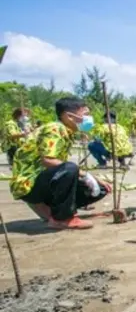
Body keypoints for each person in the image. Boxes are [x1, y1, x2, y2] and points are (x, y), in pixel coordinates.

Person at [9, 97, 111, 229]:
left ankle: (52, 210)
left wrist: (95, 179)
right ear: (69, 116)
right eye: (85, 115)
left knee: (100, 188)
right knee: (70, 168)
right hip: (30, 182)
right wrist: (85, 175)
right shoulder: (55, 128)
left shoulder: (67, 131)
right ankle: (61, 218)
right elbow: (48, 160)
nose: (89, 118)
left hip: (45, 179)